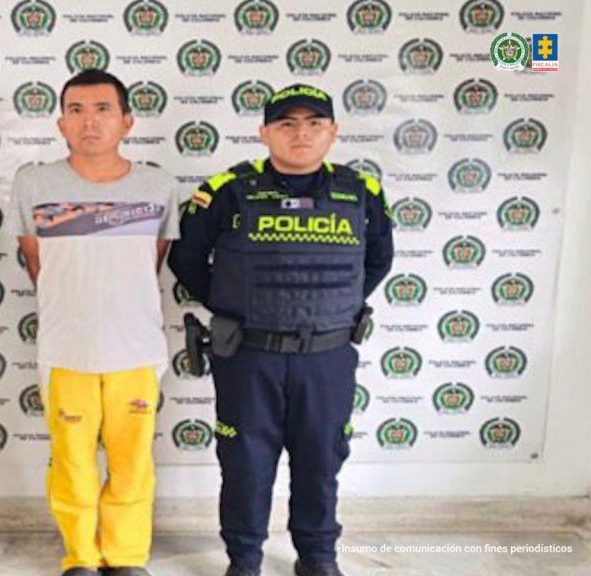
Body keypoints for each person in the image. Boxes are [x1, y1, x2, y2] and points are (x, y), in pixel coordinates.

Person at [168, 84, 394, 576]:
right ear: (265, 132)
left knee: (321, 463)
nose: (301, 134)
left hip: (328, 356)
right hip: (249, 355)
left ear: (332, 132)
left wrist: (335, 309)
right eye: (287, 124)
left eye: (314, 124)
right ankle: (244, 560)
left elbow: (377, 260)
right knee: (246, 467)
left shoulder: (361, 192)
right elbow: (185, 259)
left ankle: (317, 557)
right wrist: (230, 303)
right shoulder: (228, 191)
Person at [11, 69, 180, 576]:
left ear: (126, 121)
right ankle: (80, 558)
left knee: (132, 465)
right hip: (67, 351)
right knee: (74, 466)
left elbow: (152, 261)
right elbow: (37, 263)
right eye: (77, 111)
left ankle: (126, 557)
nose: (90, 122)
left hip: (136, 350)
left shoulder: (158, 185)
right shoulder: (33, 183)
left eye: (103, 109)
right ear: (61, 123)